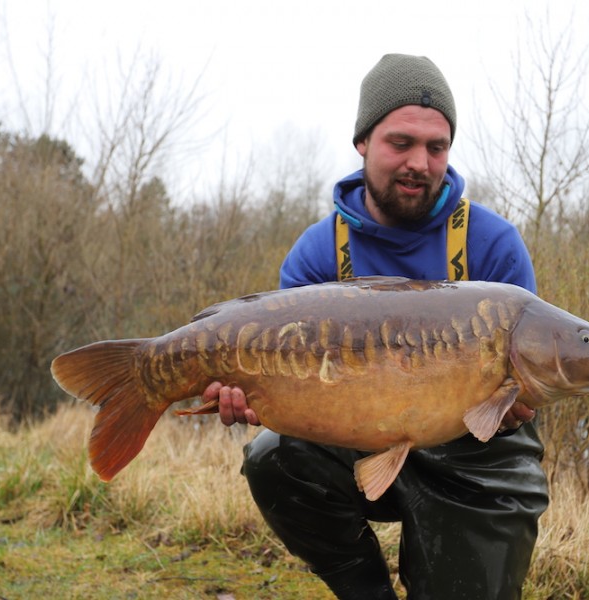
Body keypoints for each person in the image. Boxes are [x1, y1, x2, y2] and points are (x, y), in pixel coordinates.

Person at [203, 54, 549, 600]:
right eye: (401, 142)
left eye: (437, 147)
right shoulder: (318, 254)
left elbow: (520, 395)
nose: (420, 162)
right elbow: (286, 394)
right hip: (356, 443)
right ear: (363, 141)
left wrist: (515, 405)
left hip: (475, 464)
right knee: (273, 456)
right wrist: (247, 397)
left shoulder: (492, 245)